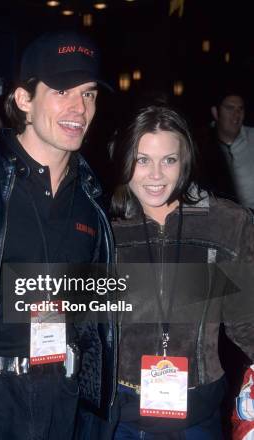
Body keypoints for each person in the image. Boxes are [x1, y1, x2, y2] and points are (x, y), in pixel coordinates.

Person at [0, 31, 116, 440]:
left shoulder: (92, 199)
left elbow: (94, 312)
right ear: (23, 99)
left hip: (59, 400)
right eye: (63, 91)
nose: (79, 108)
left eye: (88, 94)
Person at [109, 104, 254, 438]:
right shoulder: (106, 228)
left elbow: (245, 321)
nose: (156, 175)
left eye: (168, 160)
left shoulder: (226, 224)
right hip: (123, 416)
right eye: (143, 160)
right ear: (125, 160)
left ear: (184, 161)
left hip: (197, 413)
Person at [201, 90, 254, 209]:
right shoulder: (200, 145)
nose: (237, 114)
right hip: (221, 220)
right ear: (215, 113)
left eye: (240, 109)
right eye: (230, 108)